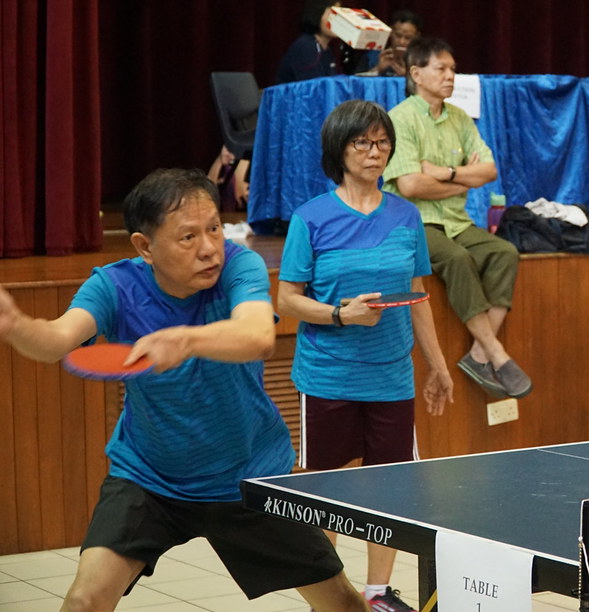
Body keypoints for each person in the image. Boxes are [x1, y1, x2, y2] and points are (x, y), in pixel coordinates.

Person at [0, 169, 368, 612]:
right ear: (144, 246)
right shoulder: (114, 285)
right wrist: (16, 326)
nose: (209, 247)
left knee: (343, 603)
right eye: (187, 237)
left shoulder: (239, 264)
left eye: (213, 228)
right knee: (84, 600)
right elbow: (57, 340)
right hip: (150, 478)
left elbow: (257, 336)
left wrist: (186, 340)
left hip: (249, 476)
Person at [277, 100, 454, 612]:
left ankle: (377, 593)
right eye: (363, 143)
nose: (375, 152)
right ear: (340, 149)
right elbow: (287, 299)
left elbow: (417, 294)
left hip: (392, 376)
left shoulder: (406, 215)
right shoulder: (310, 218)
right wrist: (339, 314)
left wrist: (438, 365)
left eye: (382, 143)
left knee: (390, 487)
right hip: (328, 377)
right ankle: (329, 597)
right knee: (325, 493)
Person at [383, 36, 532, 399]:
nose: (451, 76)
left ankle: (478, 353)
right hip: (412, 221)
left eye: (453, 69)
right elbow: (411, 185)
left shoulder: (461, 118)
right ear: (416, 73)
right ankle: (495, 352)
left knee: (504, 253)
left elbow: (489, 170)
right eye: (442, 69)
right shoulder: (399, 119)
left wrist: (445, 174)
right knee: (457, 258)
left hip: (456, 220)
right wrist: (460, 178)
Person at [275, 0, 366, 85]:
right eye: (332, 14)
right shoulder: (306, 46)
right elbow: (313, 89)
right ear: (317, 15)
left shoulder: (326, 50)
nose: (337, 20)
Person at [357, 9, 423, 77]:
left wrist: (407, 76)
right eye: (398, 35)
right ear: (390, 32)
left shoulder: (423, 60)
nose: (401, 42)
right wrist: (378, 69)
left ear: (417, 37)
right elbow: (356, 83)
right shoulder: (372, 56)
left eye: (408, 38)